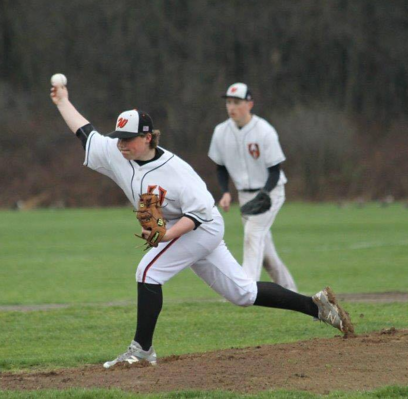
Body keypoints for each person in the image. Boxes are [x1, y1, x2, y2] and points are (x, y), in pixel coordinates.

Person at [49, 80, 354, 369]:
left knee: (148, 270)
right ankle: (318, 307)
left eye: (127, 139)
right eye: (118, 138)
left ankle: (142, 350)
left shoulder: (177, 172)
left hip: (201, 226)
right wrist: (63, 101)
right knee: (243, 294)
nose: (120, 144)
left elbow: (196, 216)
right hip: (186, 227)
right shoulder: (118, 154)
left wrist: (166, 234)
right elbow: (85, 133)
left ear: (147, 137)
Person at [208, 83, 297, 292]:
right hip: (245, 196)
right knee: (267, 256)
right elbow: (220, 167)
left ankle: (245, 289)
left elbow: (275, 170)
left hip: (271, 191)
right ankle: (294, 296)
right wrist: (226, 192)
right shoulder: (221, 131)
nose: (231, 107)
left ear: (250, 104)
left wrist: (265, 193)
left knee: (252, 233)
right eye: (229, 102)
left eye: (237, 102)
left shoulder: (264, 131)